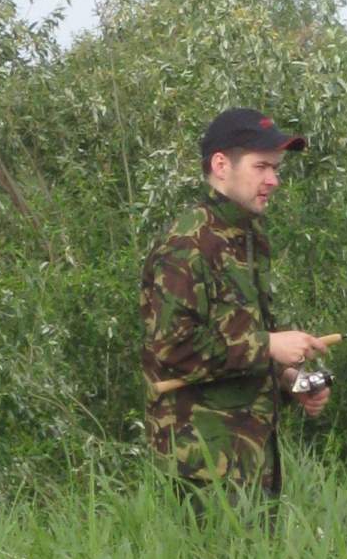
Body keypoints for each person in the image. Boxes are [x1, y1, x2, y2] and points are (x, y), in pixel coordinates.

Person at [140, 107, 330, 500]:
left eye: (276, 169)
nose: (273, 180)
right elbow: (172, 348)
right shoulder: (187, 243)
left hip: (252, 462)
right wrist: (270, 345)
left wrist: (288, 380)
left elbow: (237, 342)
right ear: (221, 165)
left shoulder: (247, 238)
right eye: (262, 167)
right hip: (201, 468)